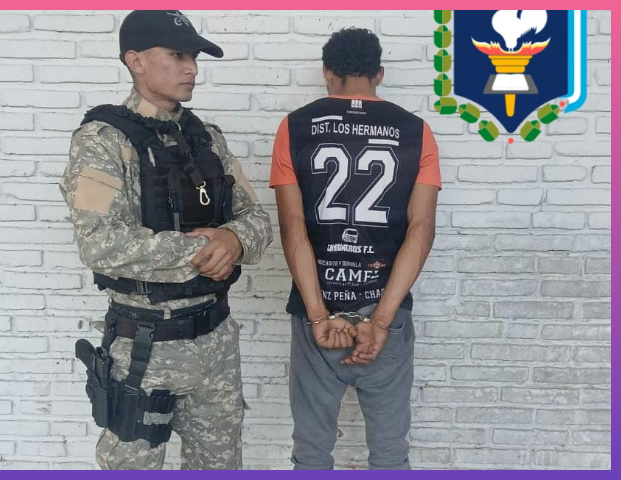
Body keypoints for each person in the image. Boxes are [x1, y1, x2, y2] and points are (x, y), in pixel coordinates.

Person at [60, 10, 272, 470]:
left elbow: (256, 219)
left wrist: (234, 238)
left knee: (221, 467)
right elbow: (99, 242)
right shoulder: (103, 140)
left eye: (194, 57)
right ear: (135, 60)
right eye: (177, 55)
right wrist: (204, 250)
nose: (191, 68)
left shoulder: (206, 139)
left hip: (216, 342)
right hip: (144, 348)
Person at [270, 28, 441, 470]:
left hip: (317, 310)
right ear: (379, 74)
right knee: (390, 455)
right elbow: (421, 230)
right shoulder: (417, 132)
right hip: (386, 310)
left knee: (311, 454)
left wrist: (317, 316)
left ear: (327, 73)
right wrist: (380, 320)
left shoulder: (293, 127)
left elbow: (292, 228)